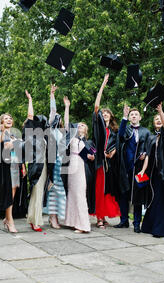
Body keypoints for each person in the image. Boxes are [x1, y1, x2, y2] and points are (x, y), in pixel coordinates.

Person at [141, 103, 164, 237]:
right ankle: (150, 226)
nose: (159, 121)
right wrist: (143, 171)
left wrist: (160, 111)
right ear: (153, 123)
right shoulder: (151, 137)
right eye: (156, 119)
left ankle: (162, 229)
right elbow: (148, 156)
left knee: (162, 199)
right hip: (153, 173)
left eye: (160, 119)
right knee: (153, 199)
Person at [91, 74, 121, 228]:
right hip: (100, 163)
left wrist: (114, 151)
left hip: (111, 164)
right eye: (103, 113)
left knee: (108, 190)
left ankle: (104, 215)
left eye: (107, 113)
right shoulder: (98, 126)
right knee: (99, 189)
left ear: (111, 116)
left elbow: (117, 144)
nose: (104, 114)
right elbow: (96, 106)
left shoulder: (114, 131)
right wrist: (102, 85)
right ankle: (99, 218)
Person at [115, 105, 150, 233]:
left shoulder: (146, 132)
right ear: (129, 118)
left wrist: (145, 153)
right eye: (132, 115)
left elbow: (149, 147)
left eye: (136, 114)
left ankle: (136, 223)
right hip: (125, 167)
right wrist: (124, 117)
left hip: (139, 168)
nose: (134, 116)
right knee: (123, 195)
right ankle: (124, 221)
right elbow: (120, 135)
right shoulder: (126, 129)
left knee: (137, 197)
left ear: (140, 117)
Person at [63, 96, 93, 233]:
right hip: (71, 167)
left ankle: (83, 225)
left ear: (86, 130)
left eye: (82, 125)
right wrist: (67, 107)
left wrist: (91, 156)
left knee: (80, 194)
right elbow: (66, 122)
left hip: (81, 168)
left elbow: (91, 157)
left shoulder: (88, 143)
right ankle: (71, 221)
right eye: (78, 125)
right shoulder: (73, 138)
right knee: (72, 193)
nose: (79, 126)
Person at [24, 90, 48, 232]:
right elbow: (30, 116)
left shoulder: (44, 137)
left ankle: (34, 218)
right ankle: (35, 221)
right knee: (36, 192)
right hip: (36, 166)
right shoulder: (31, 134)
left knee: (39, 193)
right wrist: (30, 100)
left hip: (44, 166)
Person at [43, 84, 66, 229]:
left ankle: (57, 215)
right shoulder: (50, 130)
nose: (56, 118)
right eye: (55, 117)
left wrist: (67, 108)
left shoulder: (62, 133)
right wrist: (52, 95)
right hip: (52, 163)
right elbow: (53, 110)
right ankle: (52, 217)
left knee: (60, 190)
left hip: (61, 163)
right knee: (52, 189)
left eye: (58, 117)